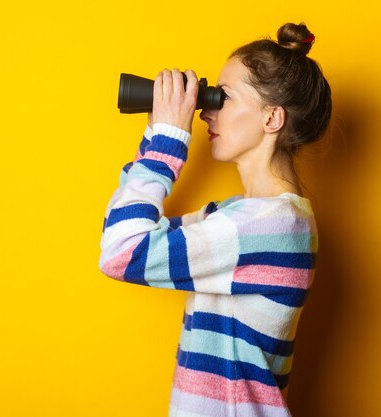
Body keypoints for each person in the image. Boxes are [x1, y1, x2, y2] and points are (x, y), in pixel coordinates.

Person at [100, 22, 332, 417]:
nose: (207, 111)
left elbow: (120, 253)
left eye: (223, 98)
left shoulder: (266, 227)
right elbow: (127, 230)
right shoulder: (243, 219)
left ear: (272, 119)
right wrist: (158, 128)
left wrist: (170, 139)